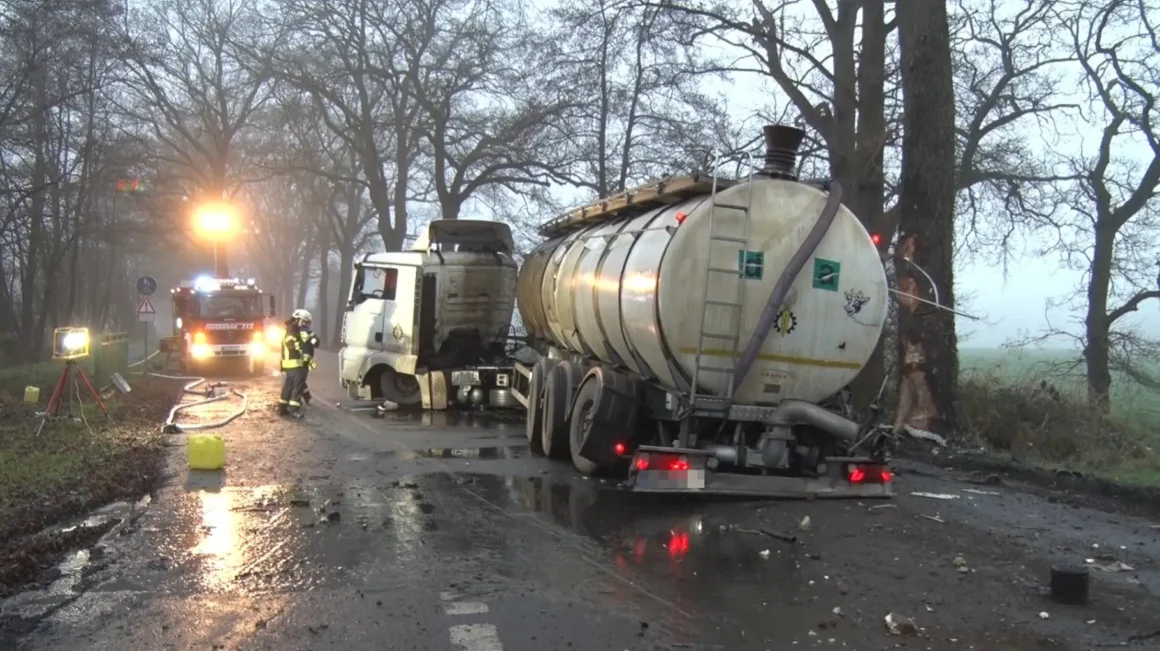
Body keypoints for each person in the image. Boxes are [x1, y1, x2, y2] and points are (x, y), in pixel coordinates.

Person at [277, 309, 315, 418]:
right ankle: (294, 409)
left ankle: (283, 408)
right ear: (296, 319)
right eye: (303, 322)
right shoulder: (292, 331)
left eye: (307, 323)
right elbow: (292, 345)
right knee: (297, 386)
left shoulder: (292, 329)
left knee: (288, 386)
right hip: (294, 363)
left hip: (290, 364)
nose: (305, 325)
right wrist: (302, 353)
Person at [298, 312, 321, 405]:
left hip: (299, 361)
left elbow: (315, 343)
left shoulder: (294, 332)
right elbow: (316, 343)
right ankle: (305, 398)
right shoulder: (310, 333)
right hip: (305, 362)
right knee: (300, 380)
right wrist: (312, 340)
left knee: (299, 380)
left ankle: (301, 399)